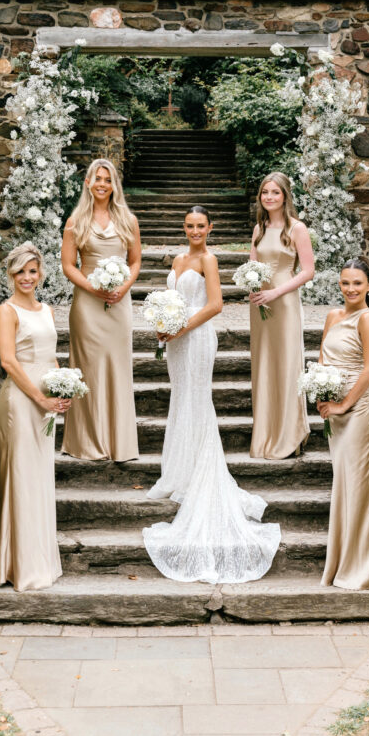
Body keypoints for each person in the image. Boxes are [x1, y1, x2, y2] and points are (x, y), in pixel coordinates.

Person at [143, 206, 281, 584]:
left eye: (200, 226)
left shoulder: (210, 259)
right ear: (183, 228)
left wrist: (181, 326)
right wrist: (163, 326)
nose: (194, 231)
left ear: (210, 228)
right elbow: (170, 300)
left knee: (197, 400)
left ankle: (198, 476)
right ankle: (178, 472)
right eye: (189, 226)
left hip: (199, 337)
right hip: (175, 340)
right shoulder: (177, 258)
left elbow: (215, 304)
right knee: (180, 398)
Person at [0, 243, 64, 592]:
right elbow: (8, 361)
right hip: (21, 401)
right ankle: (18, 564)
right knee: (20, 477)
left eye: (32, 271)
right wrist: (39, 399)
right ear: (11, 274)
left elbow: (51, 358)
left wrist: (64, 390)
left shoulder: (47, 309)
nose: (27, 277)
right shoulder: (6, 311)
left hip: (47, 399)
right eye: (20, 271)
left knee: (39, 478)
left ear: (40, 274)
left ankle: (41, 560)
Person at [318, 259, 369, 591]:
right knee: (344, 486)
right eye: (345, 283)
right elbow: (322, 359)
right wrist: (320, 395)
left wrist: (344, 404)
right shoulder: (333, 316)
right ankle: (341, 562)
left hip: (358, 411)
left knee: (360, 490)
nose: (350, 289)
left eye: (357, 283)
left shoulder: (367, 318)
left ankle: (363, 568)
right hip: (334, 411)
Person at [61, 158, 140, 462]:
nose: (102, 184)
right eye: (97, 178)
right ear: (88, 183)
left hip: (119, 303)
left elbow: (134, 262)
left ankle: (119, 442)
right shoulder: (76, 220)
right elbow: (68, 265)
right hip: (87, 304)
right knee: (89, 368)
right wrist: (93, 288)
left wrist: (123, 287)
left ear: (114, 184)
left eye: (108, 179)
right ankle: (87, 441)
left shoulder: (127, 220)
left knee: (117, 367)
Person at [248, 172, 315, 459]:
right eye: (265, 192)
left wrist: (276, 293)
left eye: (275, 192)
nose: (269, 197)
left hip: (284, 303)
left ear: (285, 195)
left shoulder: (296, 228)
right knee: (264, 366)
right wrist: (252, 286)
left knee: (287, 365)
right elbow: (252, 265)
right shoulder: (259, 229)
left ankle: (290, 434)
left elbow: (309, 271)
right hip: (260, 305)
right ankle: (265, 434)